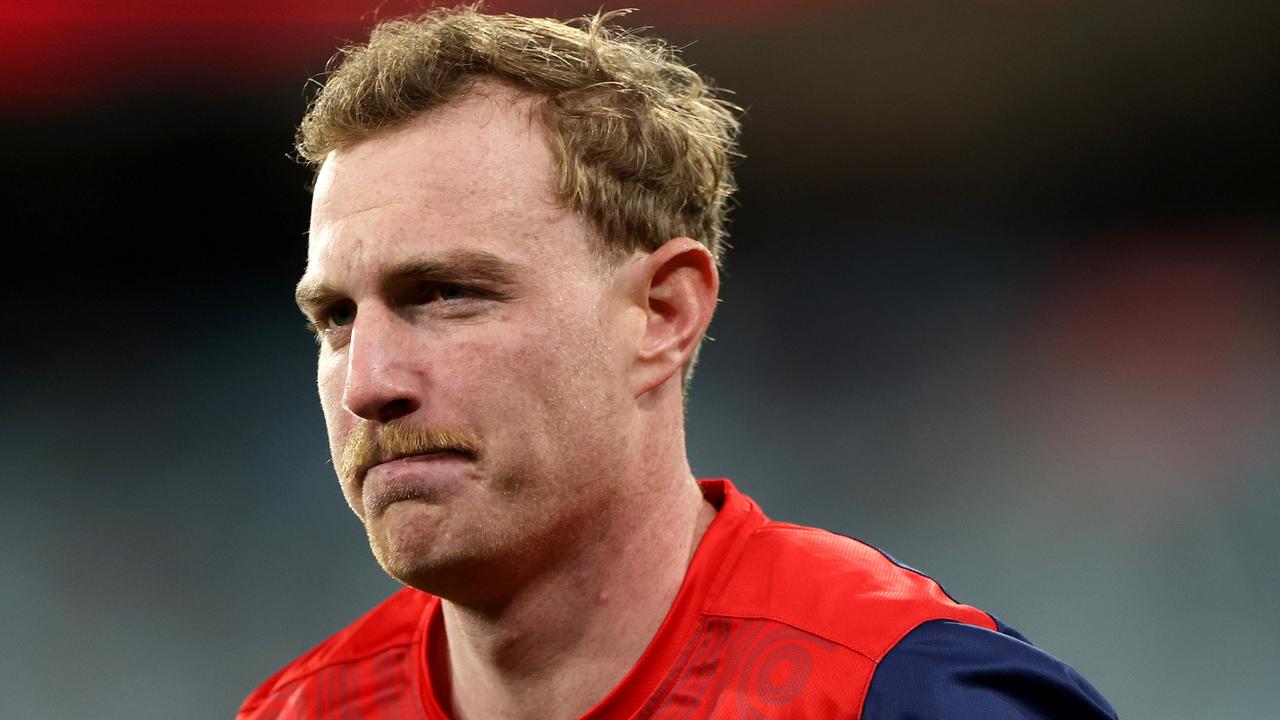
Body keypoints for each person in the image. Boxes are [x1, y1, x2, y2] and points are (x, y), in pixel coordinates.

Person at [239, 7, 1117, 719]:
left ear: (662, 314)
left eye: (444, 294)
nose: (368, 383)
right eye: (336, 318)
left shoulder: (897, 697)